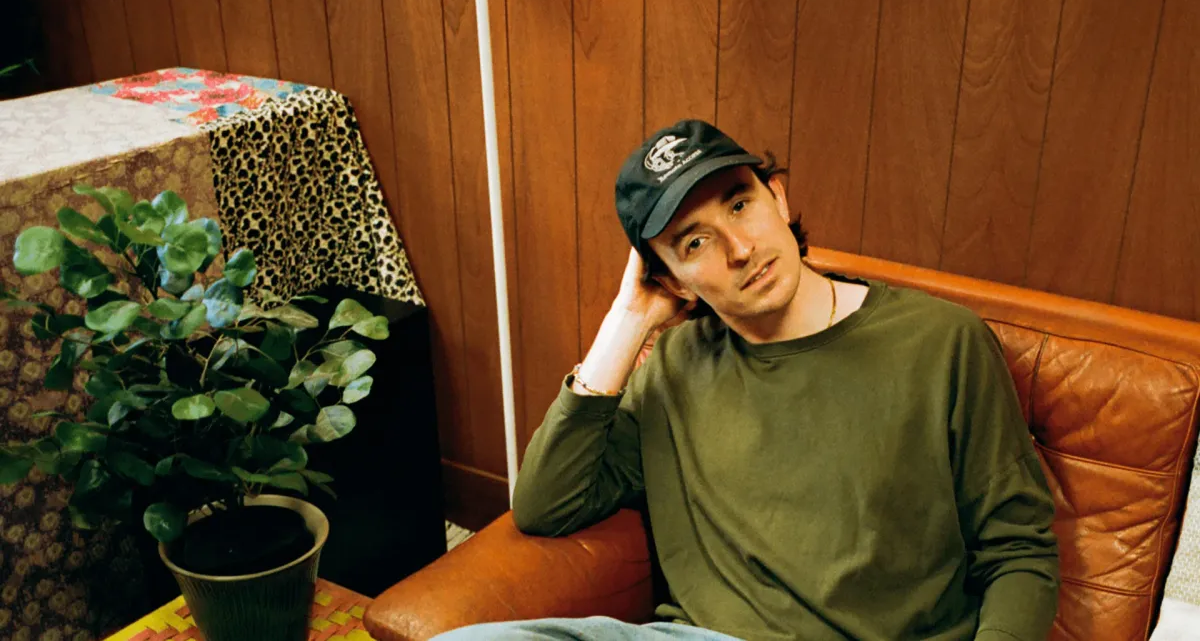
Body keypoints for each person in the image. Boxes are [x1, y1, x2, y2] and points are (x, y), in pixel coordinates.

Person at [435, 120, 1060, 641]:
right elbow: (547, 504)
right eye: (695, 242)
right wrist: (628, 320)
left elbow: (1019, 552)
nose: (739, 248)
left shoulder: (941, 342)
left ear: (777, 198)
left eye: (740, 204)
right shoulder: (675, 366)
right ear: (671, 280)